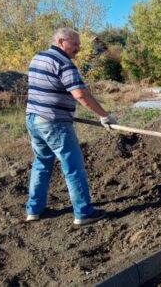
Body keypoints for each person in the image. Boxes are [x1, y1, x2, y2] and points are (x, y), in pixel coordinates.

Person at [25, 28, 117, 225]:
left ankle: (33, 210)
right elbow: (81, 95)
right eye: (74, 44)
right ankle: (84, 213)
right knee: (73, 167)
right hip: (54, 123)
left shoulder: (38, 58)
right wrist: (104, 116)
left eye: (79, 45)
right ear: (60, 41)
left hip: (34, 119)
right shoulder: (64, 63)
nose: (78, 49)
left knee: (41, 163)